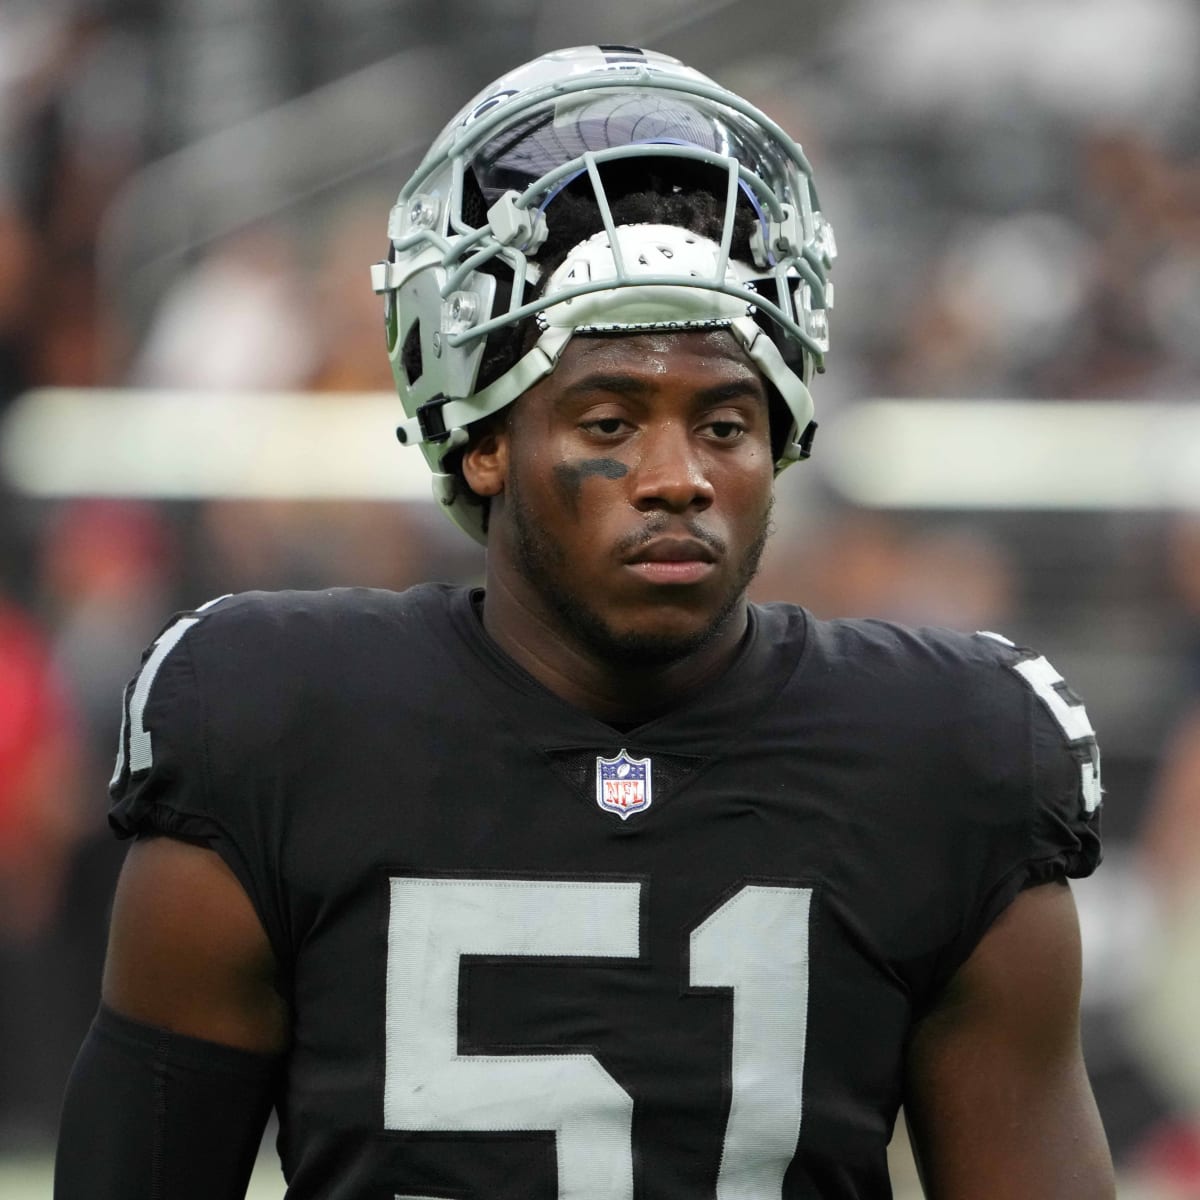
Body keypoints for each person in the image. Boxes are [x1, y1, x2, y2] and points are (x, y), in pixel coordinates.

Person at [55, 45, 1115, 1199]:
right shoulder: (276, 725)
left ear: (784, 441)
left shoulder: (950, 755)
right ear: (485, 440)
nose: (677, 477)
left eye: (722, 424)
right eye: (609, 422)